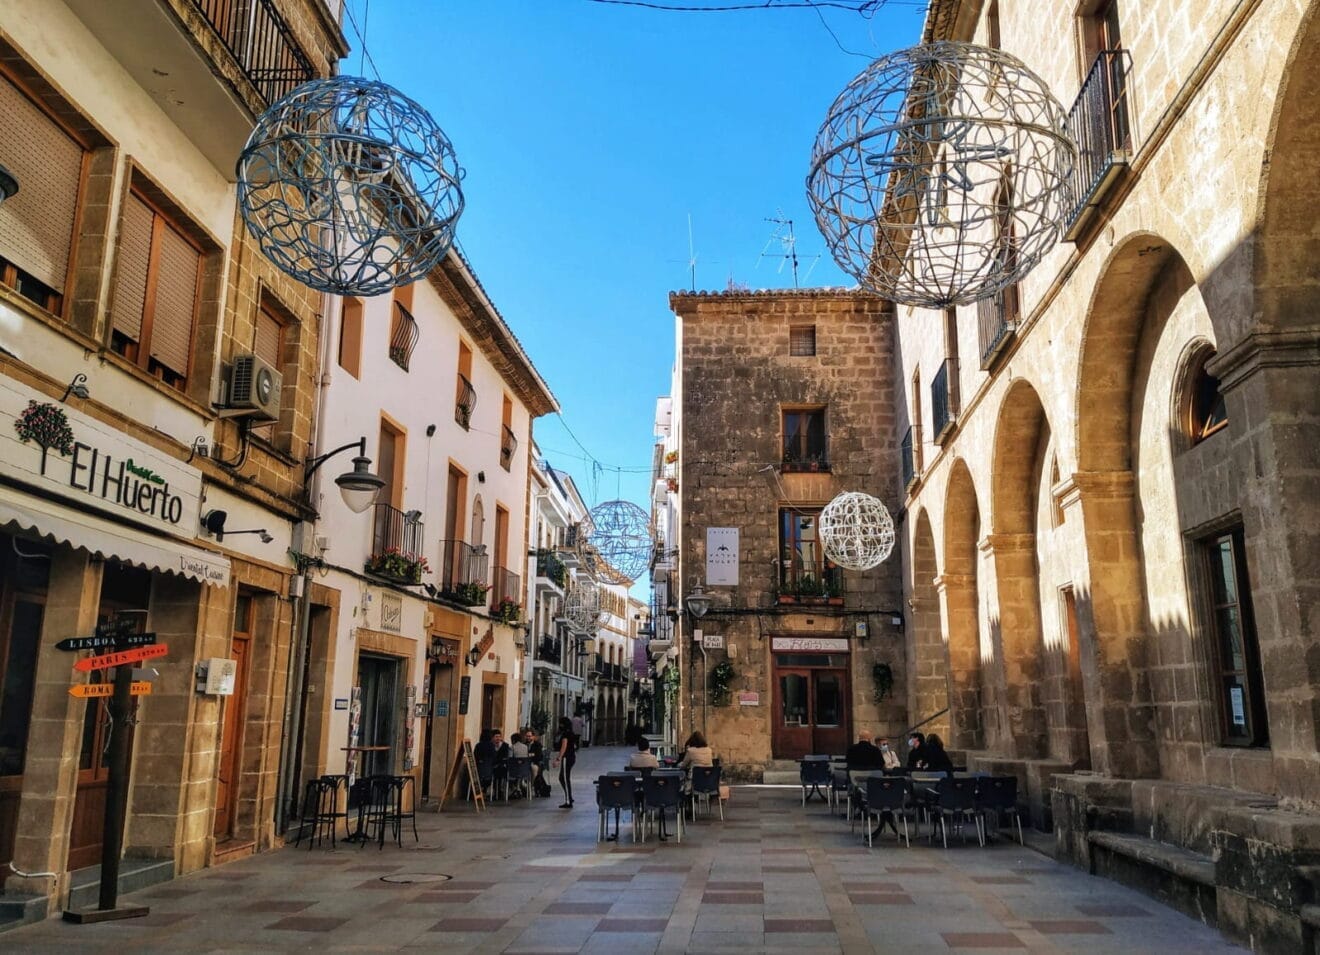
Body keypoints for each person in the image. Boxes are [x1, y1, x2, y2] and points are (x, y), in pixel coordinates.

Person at [552, 715, 577, 808]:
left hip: (567, 757)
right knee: (562, 777)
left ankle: (568, 801)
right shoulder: (571, 733)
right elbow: (574, 746)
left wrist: (558, 758)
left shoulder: (566, 734)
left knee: (565, 779)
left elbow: (564, 747)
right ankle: (569, 796)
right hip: (571, 757)